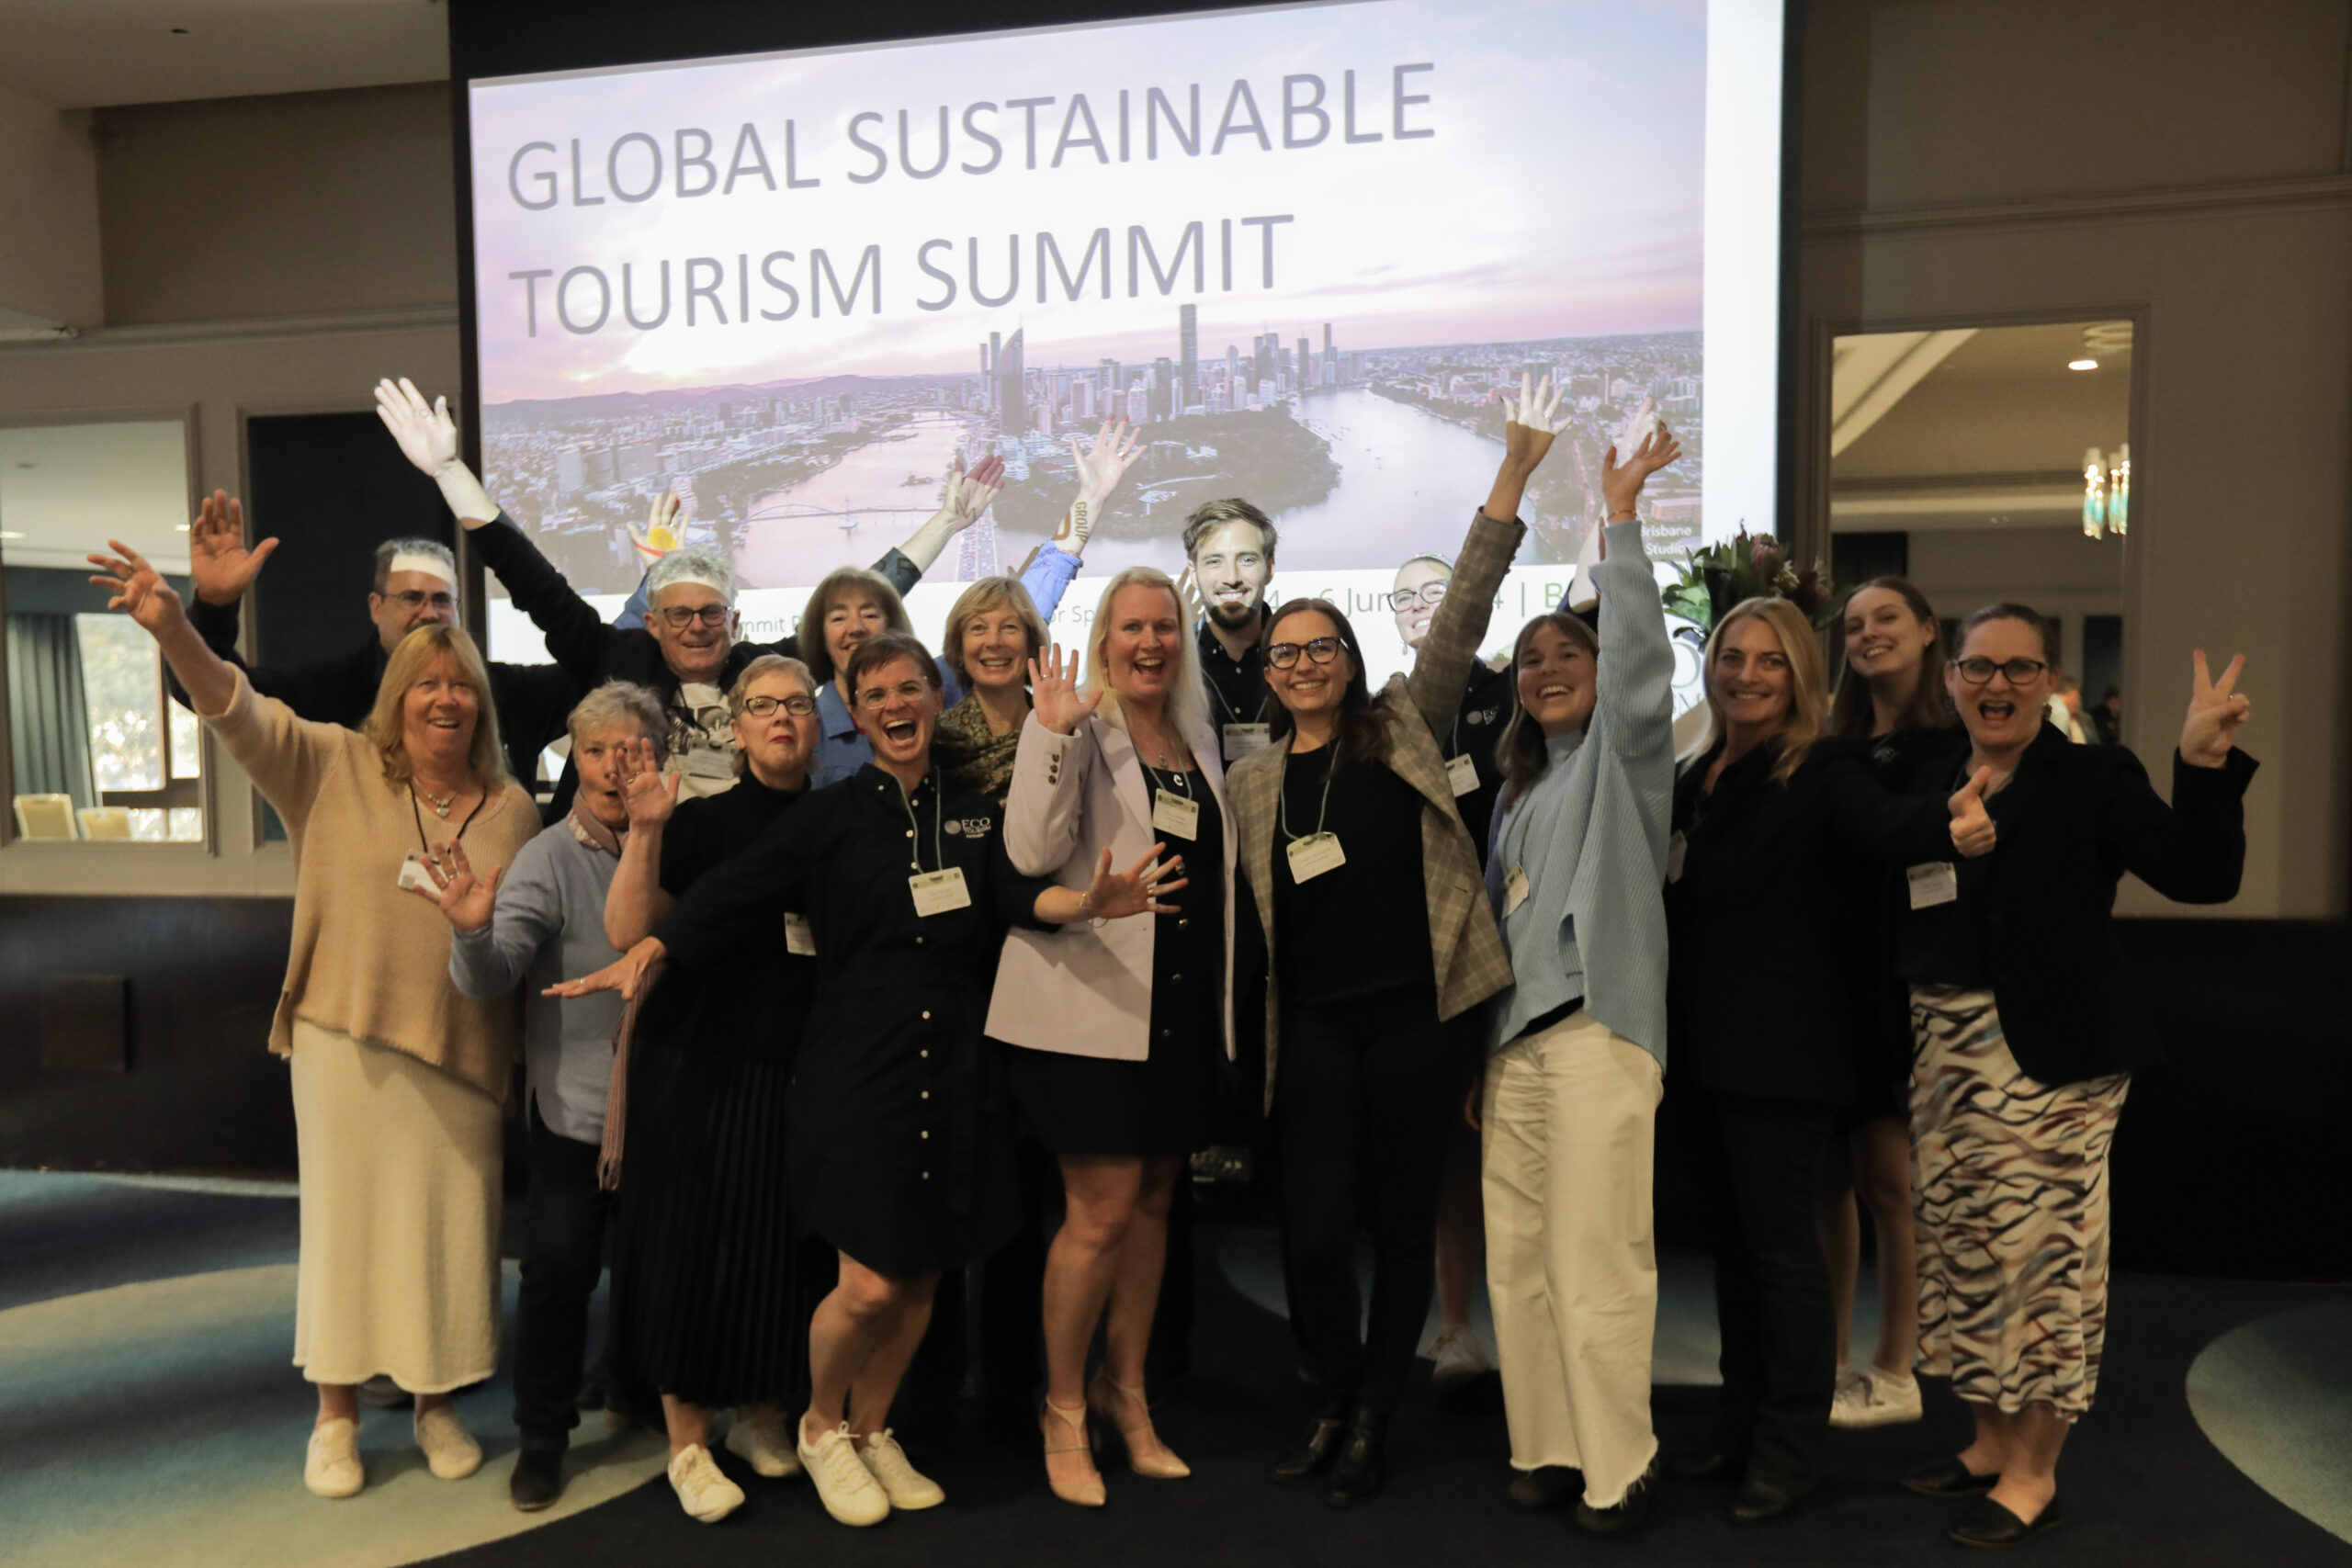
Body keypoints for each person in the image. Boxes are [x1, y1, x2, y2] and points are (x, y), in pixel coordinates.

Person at [558, 633, 1180, 1529]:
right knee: (871, 1286)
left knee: (922, 1277)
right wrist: (655, 945)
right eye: (875, 694)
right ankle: (821, 1426)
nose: (895, 705)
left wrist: (1086, 904)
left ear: (936, 698)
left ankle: (872, 1426)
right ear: (853, 713)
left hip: (957, 1064)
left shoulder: (975, 812)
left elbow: (1018, 896)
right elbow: (734, 891)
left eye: (910, 688)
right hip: (857, 1069)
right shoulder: (829, 817)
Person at [87, 539, 537, 1499]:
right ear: (396, 695)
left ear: (483, 704)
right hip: (343, 1039)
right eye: (426, 685)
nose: (446, 700)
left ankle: (436, 1400)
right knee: (347, 1228)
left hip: (462, 1053)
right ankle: (335, 1416)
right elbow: (235, 707)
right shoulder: (332, 765)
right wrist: (179, 626)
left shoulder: (513, 812)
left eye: (462, 685)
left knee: (449, 1231)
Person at [1228, 380, 1553, 1507]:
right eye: (1284, 655)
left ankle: (1373, 1414)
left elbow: (1463, 607)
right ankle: (1333, 1390)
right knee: (1316, 1233)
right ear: (1268, 675)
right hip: (1315, 1029)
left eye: (1320, 648)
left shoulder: (1402, 728)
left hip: (1416, 1018)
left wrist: (1510, 476)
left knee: (1405, 1226)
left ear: (1350, 658)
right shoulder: (1253, 782)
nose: (1302, 665)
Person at [1894, 605, 2253, 1549]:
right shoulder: (1931, 775)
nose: (1997, 685)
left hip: (2055, 1065)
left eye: (2020, 668)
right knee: (1965, 1254)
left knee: (2043, 1266)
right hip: (1946, 1054)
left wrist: (2201, 764)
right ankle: (1989, 1439)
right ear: (1951, 678)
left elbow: (2201, 874)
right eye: (1979, 667)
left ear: (2050, 682)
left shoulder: (2093, 775)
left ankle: (2034, 1472)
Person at [1667, 596, 1997, 1526]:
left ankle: (1787, 1447)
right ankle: (1738, 1423)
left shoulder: (1824, 767)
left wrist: (1948, 825)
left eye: (1770, 660)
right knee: (1733, 1254)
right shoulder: (1700, 775)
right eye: (1733, 657)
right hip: (1702, 1053)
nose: (1747, 675)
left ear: (1801, 676)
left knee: (1784, 1259)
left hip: (1784, 1058)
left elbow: (1889, 829)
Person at [373, 376, 1026, 807]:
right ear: (652, 622)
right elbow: (531, 579)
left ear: (735, 622)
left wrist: (947, 523)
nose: (696, 626)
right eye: (679, 613)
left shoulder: (762, 673)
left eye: (711, 613)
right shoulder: (617, 658)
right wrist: (450, 471)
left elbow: (857, 608)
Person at [1470, 403, 1679, 1533]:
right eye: (1531, 660)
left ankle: (1620, 1463)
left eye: (1568, 654)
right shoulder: (1518, 789)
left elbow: (1643, 670)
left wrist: (1620, 518)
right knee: (1518, 1262)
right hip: (1516, 1050)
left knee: (1596, 1261)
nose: (1547, 670)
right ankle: (1547, 1445)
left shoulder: (1624, 761)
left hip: (1598, 1034)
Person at [989, 569, 1235, 1506]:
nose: (1150, 642)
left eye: (1164, 626)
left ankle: (1124, 1393)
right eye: (1131, 627)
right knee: (1098, 1213)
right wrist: (1050, 734)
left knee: (1154, 1206)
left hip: (1176, 1010)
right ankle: (1062, 1409)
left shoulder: (1197, 736)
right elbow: (1028, 854)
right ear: (1103, 639)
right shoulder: (1075, 725)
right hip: (1088, 1012)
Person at [578, 656, 826, 1522]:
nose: (781, 717)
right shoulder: (697, 819)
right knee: (685, 1248)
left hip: (791, 1068)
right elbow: (626, 929)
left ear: (818, 722)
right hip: (693, 1062)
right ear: (737, 725)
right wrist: (646, 830)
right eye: (762, 704)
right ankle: (687, 1442)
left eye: (797, 703)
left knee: (771, 1250)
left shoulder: (839, 822)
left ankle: (758, 1412)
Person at [413, 680, 668, 1510]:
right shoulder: (550, 856)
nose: (613, 767)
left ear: (660, 757)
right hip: (574, 1111)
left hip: (674, 1106)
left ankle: (641, 1393)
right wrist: (470, 930)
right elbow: (490, 976)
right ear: (574, 759)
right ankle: (543, 1438)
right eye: (595, 750)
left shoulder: (686, 840)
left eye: (630, 749)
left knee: (658, 1268)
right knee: (559, 1272)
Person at [175, 490, 580, 800]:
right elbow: (208, 692)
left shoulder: (505, 691)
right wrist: (214, 607)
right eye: (411, 598)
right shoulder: (326, 694)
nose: (428, 613)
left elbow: (599, 669)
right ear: (375, 606)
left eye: (441, 600)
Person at [1817, 577, 1961, 1432]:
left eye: (1888, 618)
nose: (1869, 634)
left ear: (1929, 629)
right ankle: (1832, 1361)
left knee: (1888, 1181)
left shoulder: (1956, 742)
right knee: (1826, 1183)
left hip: (1909, 978)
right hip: (1829, 977)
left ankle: (1895, 1365)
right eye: (1855, 625)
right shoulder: (1829, 745)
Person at [807, 420, 1138, 789]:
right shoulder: (804, 721)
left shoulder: (934, 684)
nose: (856, 628)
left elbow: (1028, 602)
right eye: (838, 618)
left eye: (870, 614)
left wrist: (1090, 499)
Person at [1389, 549, 1512, 1400]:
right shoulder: (1389, 710)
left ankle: (1534, 1324)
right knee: (1452, 1153)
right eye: (1405, 598)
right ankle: (1457, 1323)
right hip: (1433, 948)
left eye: (1436, 591)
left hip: (1523, 939)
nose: (1421, 607)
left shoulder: (1518, 690)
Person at [1181, 497, 1281, 763]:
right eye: (1214, 562)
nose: (1231, 578)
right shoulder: (1173, 662)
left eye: (1246, 560)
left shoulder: (1301, 658)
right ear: (1193, 573)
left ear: (1269, 568)